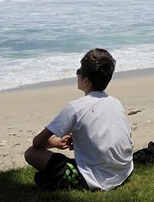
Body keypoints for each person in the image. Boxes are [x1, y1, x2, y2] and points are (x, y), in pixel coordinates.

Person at [25, 47, 133, 191]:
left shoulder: (75, 108)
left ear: (87, 81)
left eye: (79, 71)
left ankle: (65, 180)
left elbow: (37, 142)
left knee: (31, 153)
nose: (77, 74)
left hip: (95, 178)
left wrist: (57, 144)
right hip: (123, 170)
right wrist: (79, 139)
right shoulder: (115, 102)